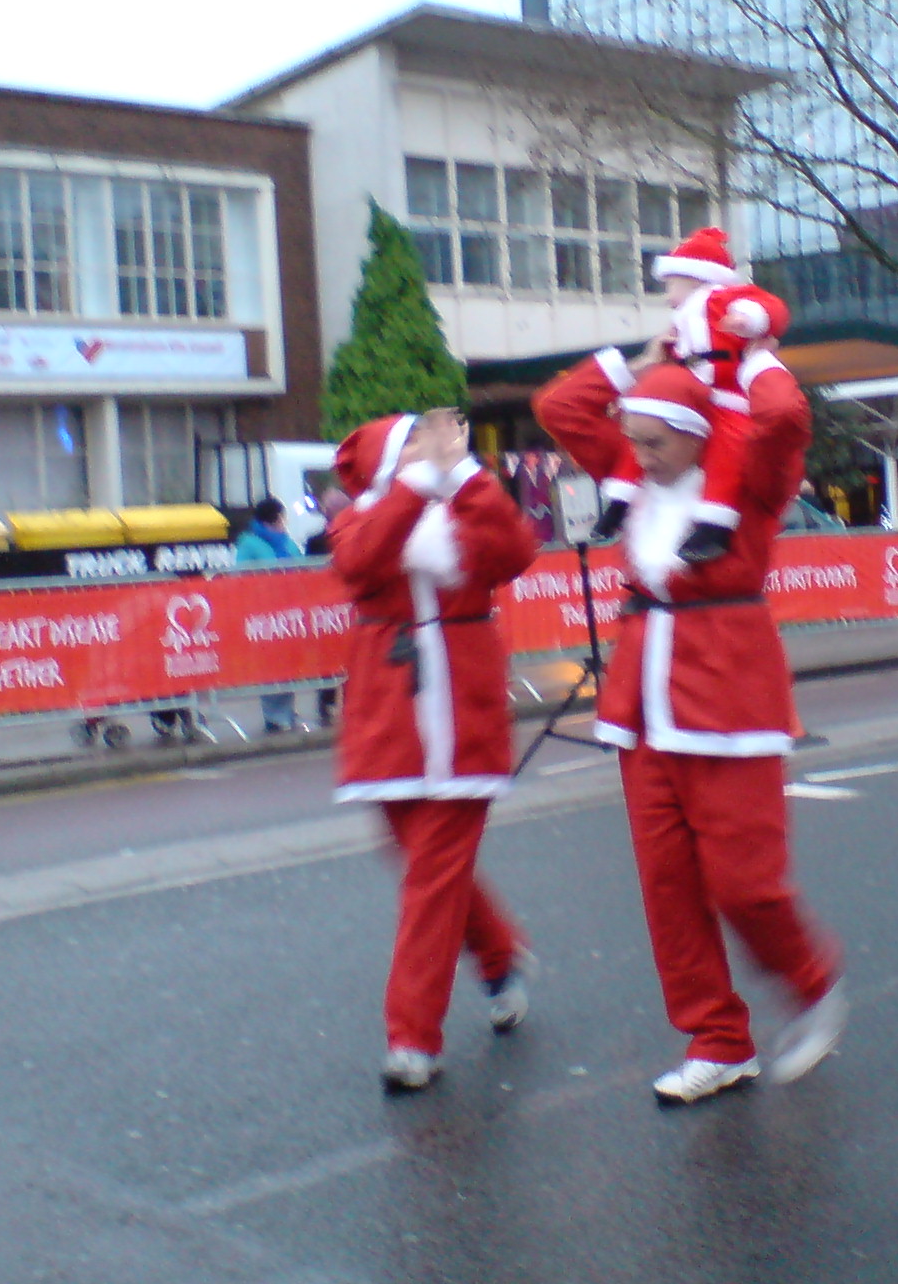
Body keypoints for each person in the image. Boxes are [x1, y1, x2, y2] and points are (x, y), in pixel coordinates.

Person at [535, 335, 845, 1106]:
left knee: (745, 885)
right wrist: (637, 362)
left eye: (654, 442)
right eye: (631, 440)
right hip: (642, 708)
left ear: (701, 432)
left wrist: (749, 349)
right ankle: (718, 1040)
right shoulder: (637, 473)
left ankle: (811, 984)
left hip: (729, 698)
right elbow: (558, 407)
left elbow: (781, 417)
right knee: (668, 890)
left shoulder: (750, 484)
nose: (636, 456)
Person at [329, 405, 540, 1093]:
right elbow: (360, 564)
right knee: (423, 862)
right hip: (387, 712)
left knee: (431, 879)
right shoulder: (362, 514)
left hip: (463, 709)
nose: (438, 443)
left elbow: (514, 553)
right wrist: (417, 487)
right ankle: (500, 953)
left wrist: (470, 475)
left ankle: (412, 1036)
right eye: (418, 437)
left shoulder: (465, 506)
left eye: (439, 434)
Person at [588, 228, 792, 564]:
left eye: (671, 284)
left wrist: (750, 319)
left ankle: (714, 524)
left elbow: (773, 308)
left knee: (728, 449)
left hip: (725, 394)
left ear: (693, 276)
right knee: (643, 430)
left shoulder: (723, 299)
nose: (668, 295)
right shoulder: (682, 319)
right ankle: (620, 501)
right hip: (688, 389)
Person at [235, 497, 303, 733]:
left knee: (289, 664)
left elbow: (303, 565)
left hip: (289, 612)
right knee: (272, 664)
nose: (285, 522)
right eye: (283, 517)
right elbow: (241, 575)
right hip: (265, 613)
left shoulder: (286, 542)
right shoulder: (250, 544)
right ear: (274, 519)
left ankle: (287, 710)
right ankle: (274, 715)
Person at [304, 487, 354, 726]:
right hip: (326, 608)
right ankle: (327, 702)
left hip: (350, 606)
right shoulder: (316, 541)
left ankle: (346, 702)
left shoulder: (356, 532)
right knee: (328, 657)